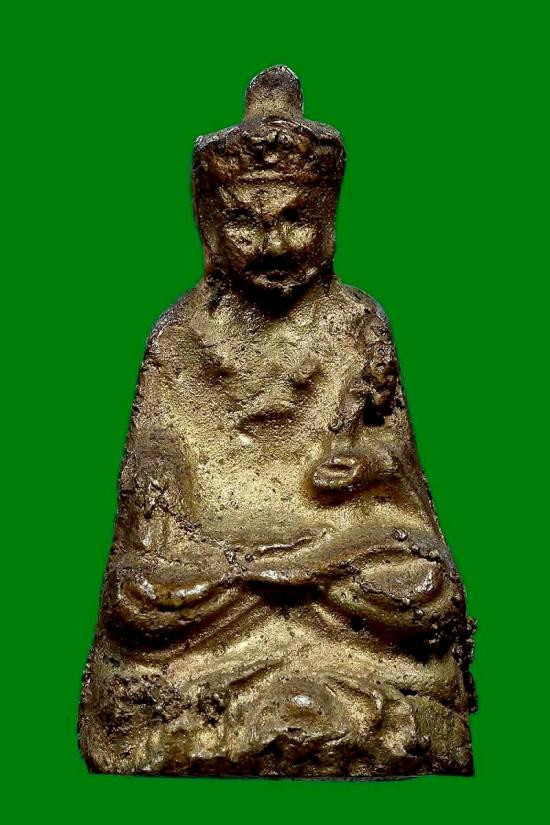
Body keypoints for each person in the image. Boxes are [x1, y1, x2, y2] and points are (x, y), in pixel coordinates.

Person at [79, 66, 475, 778]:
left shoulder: (355, 322)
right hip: (216, 553)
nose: (272, 245)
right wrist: (164, 491)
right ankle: (286, 689)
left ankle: (320, 684)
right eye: (245, 222)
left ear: (329, 219)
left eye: (296, 219)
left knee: (424, 592)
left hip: (332, 546)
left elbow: (397, 468)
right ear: (210, 223)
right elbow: (153, 458)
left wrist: (371, 466)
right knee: (141, 600)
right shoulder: (180, 333)